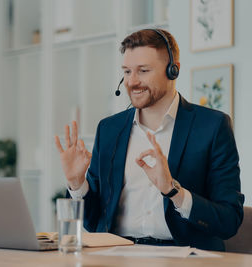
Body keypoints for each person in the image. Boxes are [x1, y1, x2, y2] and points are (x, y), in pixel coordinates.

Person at [54, 29, 244, 251]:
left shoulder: (212, 126)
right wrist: (77, 184)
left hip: (184, 255)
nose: (132, 82)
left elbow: (229, 220)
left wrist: (174, 191)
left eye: (143, 71)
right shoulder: (109, 129)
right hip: (116, 255)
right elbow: (93, 221)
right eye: (126, 71)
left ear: (173, 70)